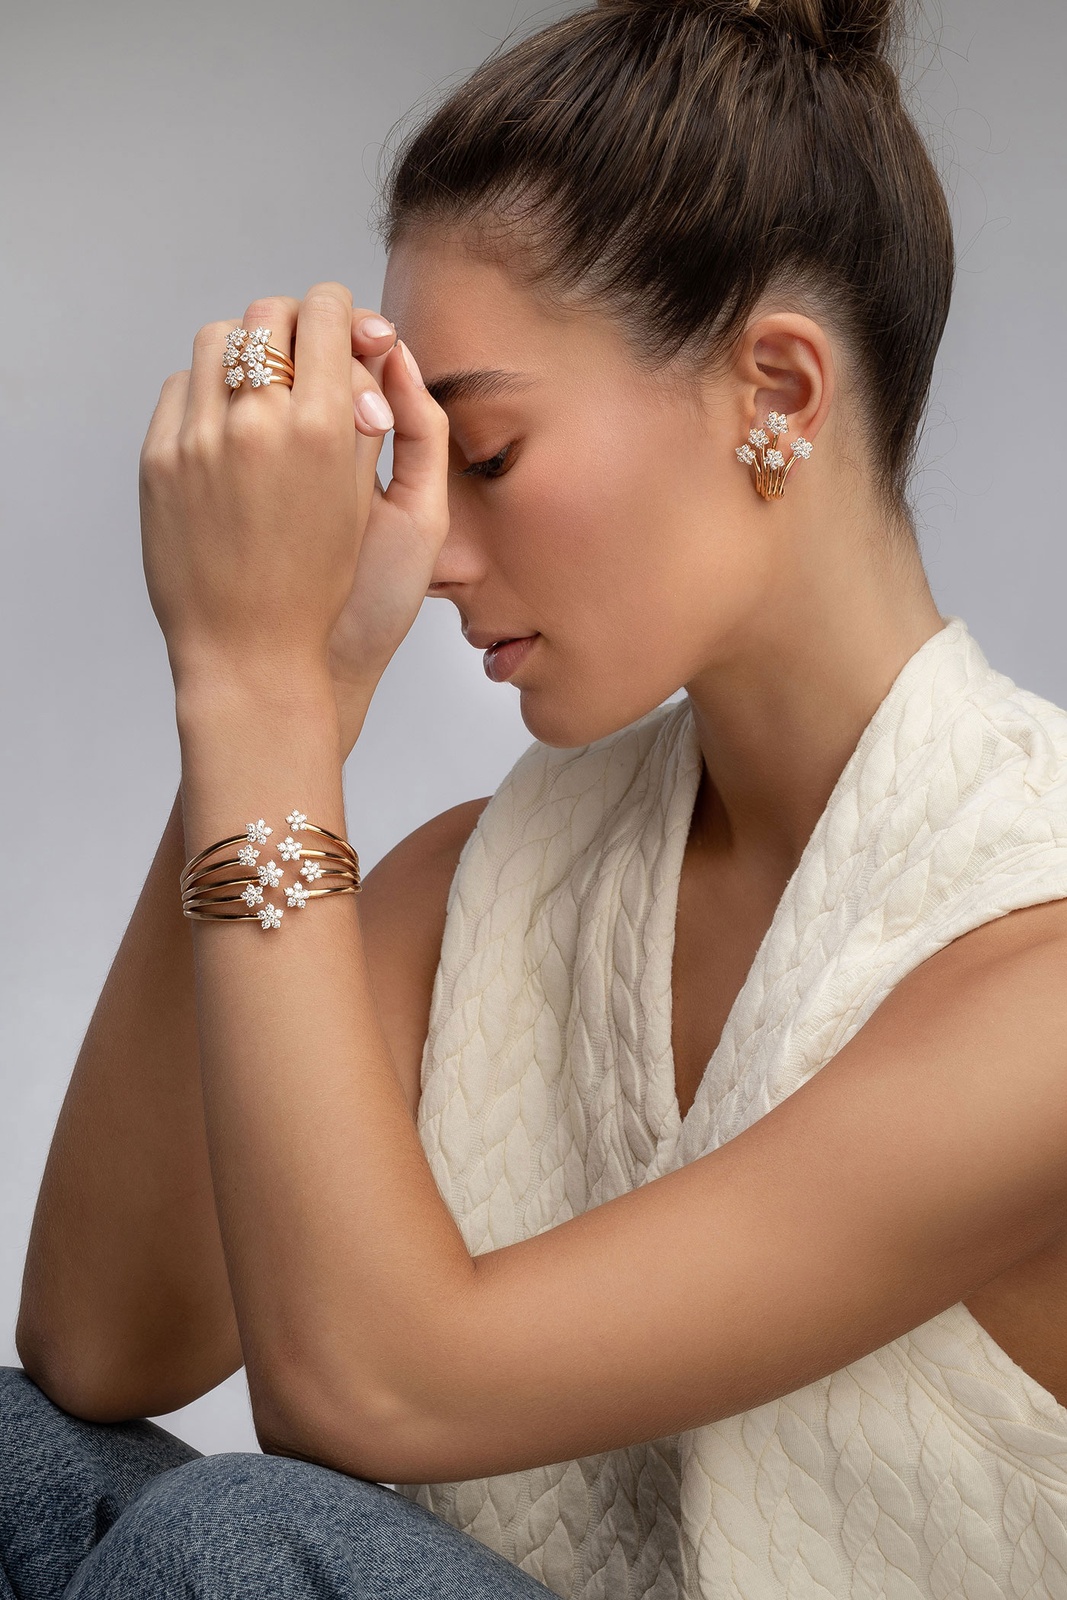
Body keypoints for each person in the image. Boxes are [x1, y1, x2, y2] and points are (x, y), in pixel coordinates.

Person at [6, 0, 1067, 1596]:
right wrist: (290, 700)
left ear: (778, 393)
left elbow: (376, 1385)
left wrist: (255, 687)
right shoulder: (487, 882)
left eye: (487, 453)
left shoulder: (1039, 972)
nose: (433, 547)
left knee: (233, 1546)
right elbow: (102, 1341)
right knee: (21, 1458)